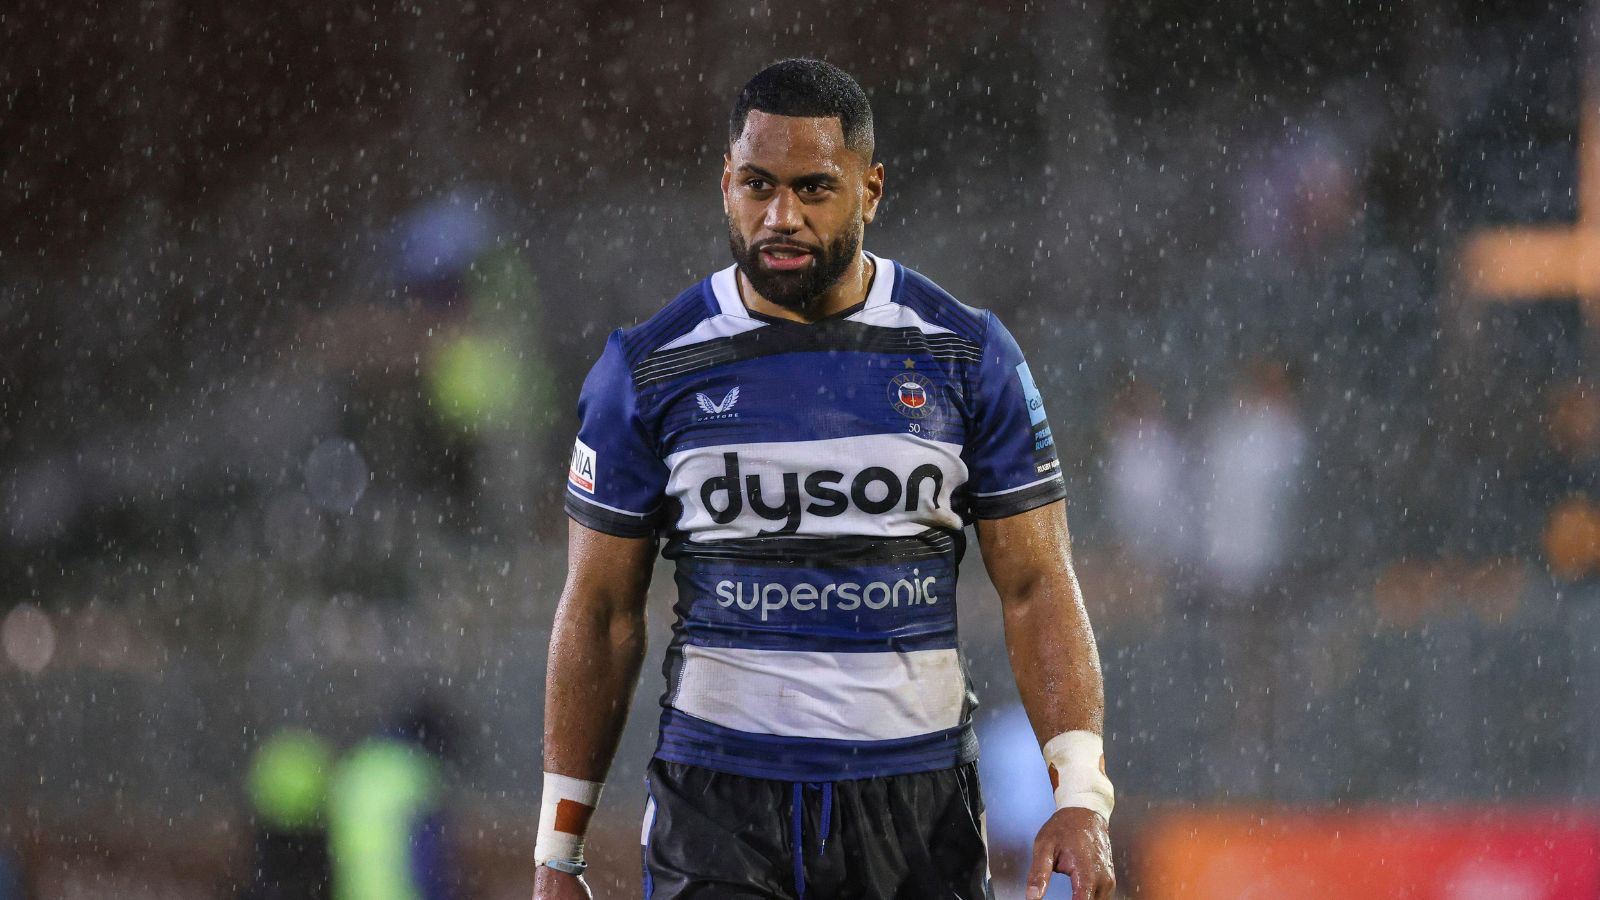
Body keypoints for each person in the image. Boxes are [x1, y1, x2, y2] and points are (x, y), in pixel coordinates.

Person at [536, 59, 1115, 900]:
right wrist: (559, 850)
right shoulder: (646, 370)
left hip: (914, 807)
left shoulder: (968, 356)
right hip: (717, 803)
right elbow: (598, 612)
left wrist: (1082, 795)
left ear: (871, 191)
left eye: (814, 189)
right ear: (725, 184)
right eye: (758, 186)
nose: (782, 217)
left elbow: (1037, 585)